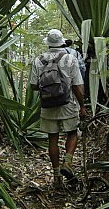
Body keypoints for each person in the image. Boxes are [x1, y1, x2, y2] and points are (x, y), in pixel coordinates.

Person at [30, 29, 86, 188]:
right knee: (73, 132)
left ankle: (56, 178)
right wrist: (82, 106)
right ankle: (67, 162)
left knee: (52, 138)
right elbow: (77, 86)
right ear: (62, 42)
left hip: (48, 105)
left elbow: (34, 86)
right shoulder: (70, 58)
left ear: (48, 43)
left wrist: (49, 89)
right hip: (67, 104)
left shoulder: (38, 60)